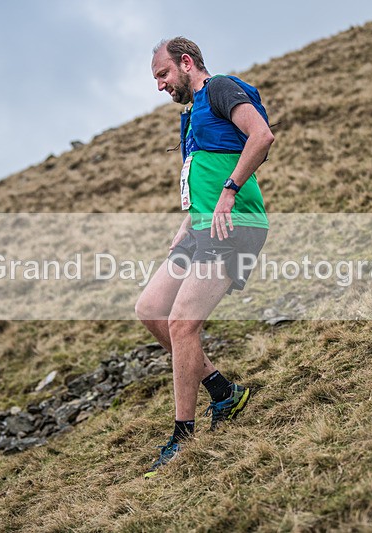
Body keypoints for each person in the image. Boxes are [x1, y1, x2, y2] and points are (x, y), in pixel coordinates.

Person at [135, 37, 274, 478]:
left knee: (182, 323)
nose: (159, 85)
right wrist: (184, 227)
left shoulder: (221, 89)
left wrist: (230, 193)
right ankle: (222, 389)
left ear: (186, 63)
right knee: (151, 310)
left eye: (163, 75)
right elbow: (196, 177)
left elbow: (262, 135)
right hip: (200, 228)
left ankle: (183, 435)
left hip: (234, 225)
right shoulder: (190, 115)